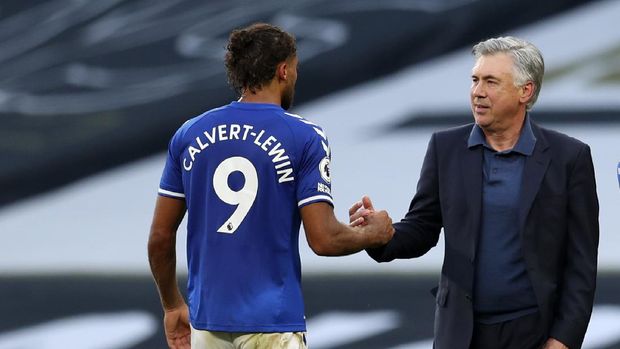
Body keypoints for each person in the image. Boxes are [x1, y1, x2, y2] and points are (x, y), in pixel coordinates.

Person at [147, 23, 394, 349]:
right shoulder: (304, 137)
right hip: (272, 323)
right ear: (282, 70)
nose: (295, 77)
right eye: (294, 69)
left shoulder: (189, 134)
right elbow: (323, 239)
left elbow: (160, 238)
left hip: (207, 325)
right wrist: (371, 234)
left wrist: (172, 305)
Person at [350, 37, 599, 349]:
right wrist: (382, 235)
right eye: (475, 80)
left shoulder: (569, 157)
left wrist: (562, 340)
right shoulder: (446, 148)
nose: (478, 92)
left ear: (526, 91)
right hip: (461, 333)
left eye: (491, 82)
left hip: (534, 333)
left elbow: (582, 264)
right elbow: (422, 228)